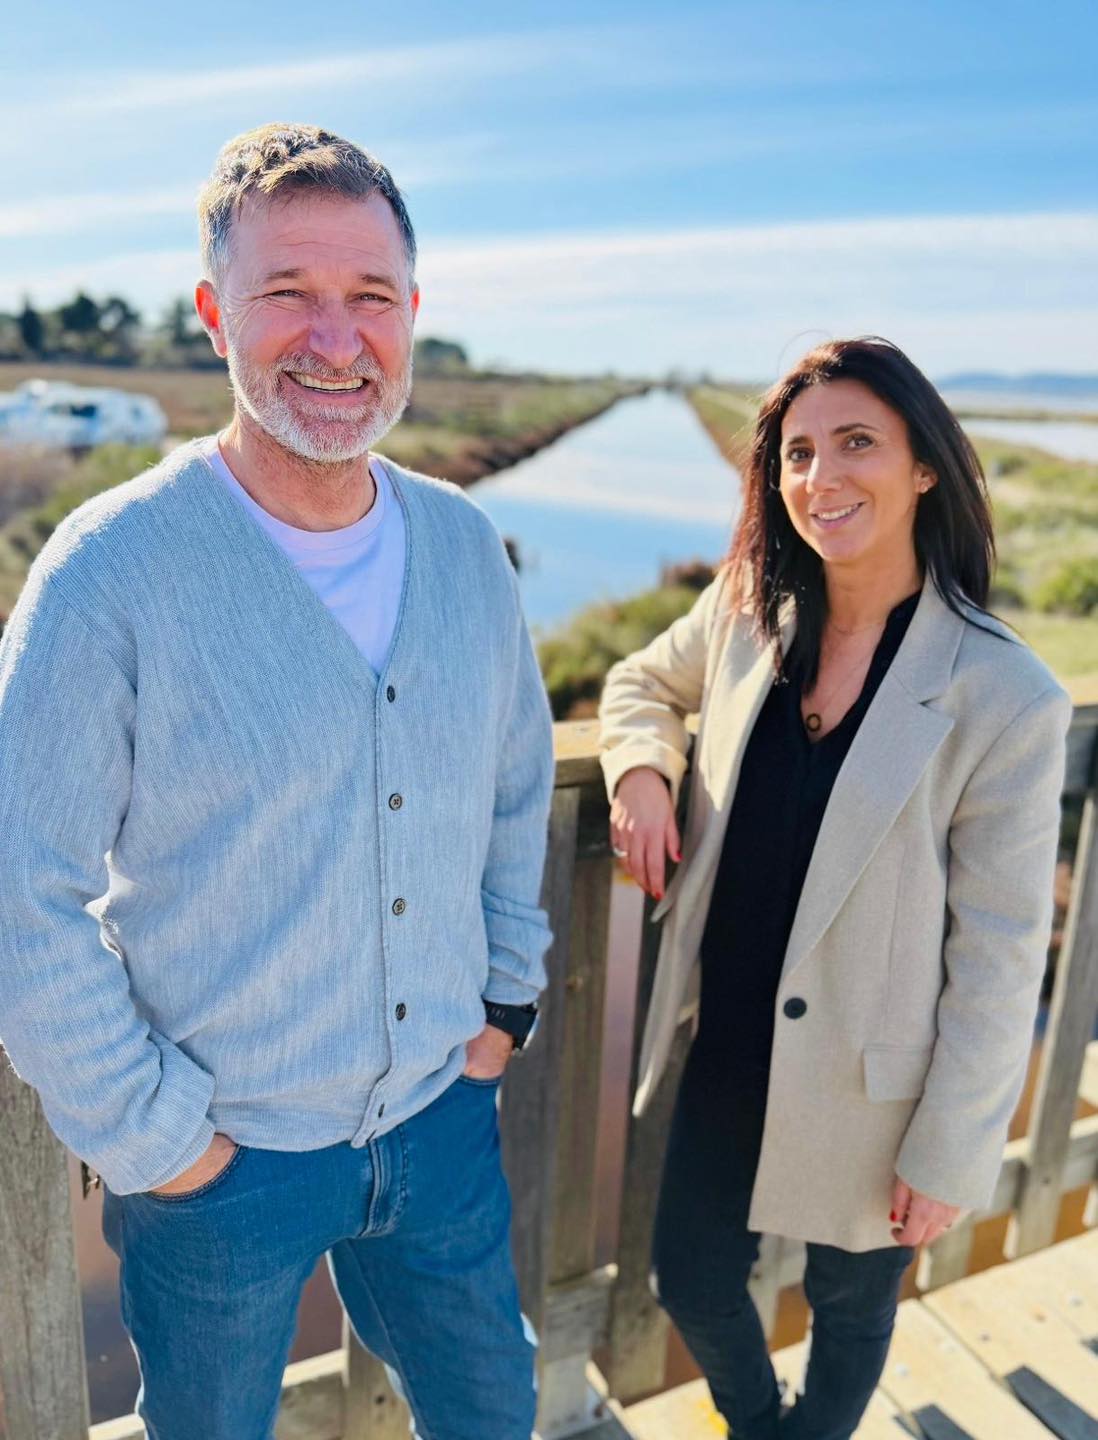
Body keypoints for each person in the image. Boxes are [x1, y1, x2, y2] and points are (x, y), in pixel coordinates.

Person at [0, 123, 552, 1440]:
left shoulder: (466, 548)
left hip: (439, 1120)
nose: (333, 336)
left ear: (411, 316)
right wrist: (159, 1142)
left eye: (369, 297)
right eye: (285, 294)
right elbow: (24, 894)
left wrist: (504, 1007)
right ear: (212, 316)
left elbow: (516, 789)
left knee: (493, 1411)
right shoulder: (107, 572)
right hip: (220, 1170)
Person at [598, 337, 1070, 1440]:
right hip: (726, 1046)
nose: (820, 478)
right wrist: (638, 769)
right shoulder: (745, 609)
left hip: (879, 1084)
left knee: (852, 1312)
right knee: (689, 1278)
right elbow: (638, 681)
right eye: (798, 453)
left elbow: (1001, 951)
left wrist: (952, 1146)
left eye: (856, 443)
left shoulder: (1004, 693)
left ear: (922, 469)